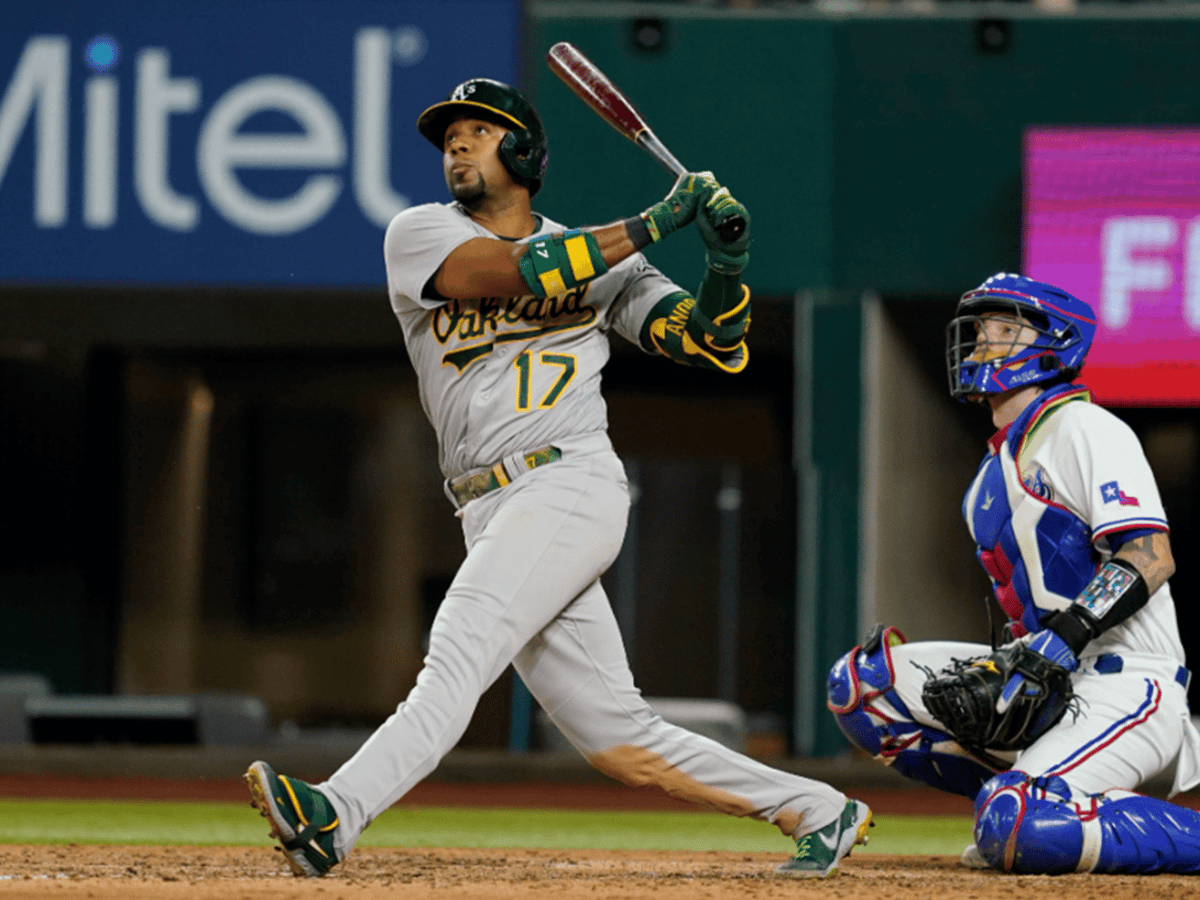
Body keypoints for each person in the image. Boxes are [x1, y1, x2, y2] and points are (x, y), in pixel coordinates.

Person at [243, 78, 871, 879]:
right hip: (486, 502)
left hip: (567, 484)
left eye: (480, 130)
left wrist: (725, 260)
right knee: (618, 738)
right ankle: (819, 808)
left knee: (463, 642)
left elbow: (711, 341)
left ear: (527, 151)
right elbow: (523, 270)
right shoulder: (421, 233)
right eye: (451, 136)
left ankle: (338, 809)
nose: (459, 144)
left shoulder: (610, 261)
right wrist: (658, 220)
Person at [828, 271, 1200, 874]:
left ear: (1055, 345)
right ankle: (1031, 796)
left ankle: (1028, 808)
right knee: (864, 687)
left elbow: (1149, 556)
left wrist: (1062, 639)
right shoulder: (998, 460)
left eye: (1005, 330)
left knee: (1017, 825)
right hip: (1052, 678)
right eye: (979, 331)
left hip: (1129, 683)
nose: (981, 345)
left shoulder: (1085, 428)